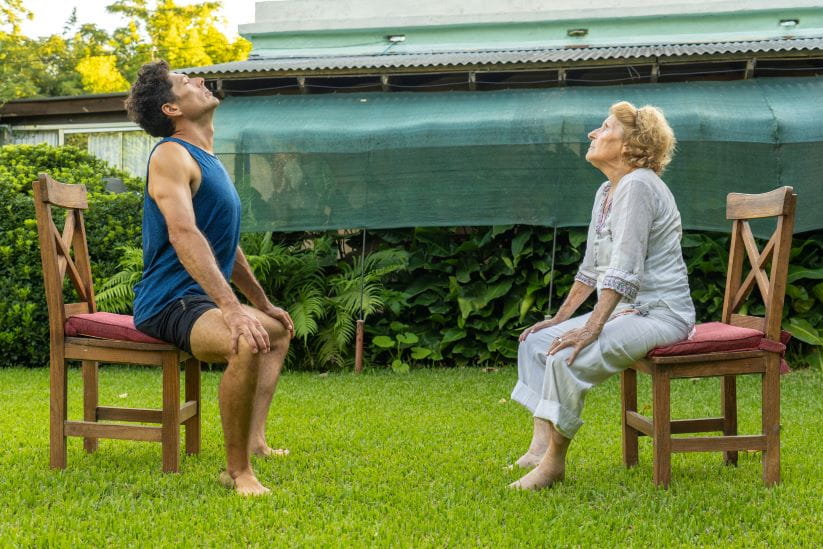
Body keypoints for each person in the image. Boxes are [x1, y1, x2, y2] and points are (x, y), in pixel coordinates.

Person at [125, 60, 295, 496]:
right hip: (170, 300)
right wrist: (232, 311)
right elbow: (184, 233)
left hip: (199, 299)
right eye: (186, 83)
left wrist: (260, 302)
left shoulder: (207, 160)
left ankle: (255, 441)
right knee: (245, 339)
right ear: (170, 108)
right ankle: (237, 472)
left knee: (275, 330)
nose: (200, 81)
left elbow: (224, 246)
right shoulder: (170, 155)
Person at [509, 101, 695, 490]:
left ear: (630, 144)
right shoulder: (607, 191)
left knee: (565, 355)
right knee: (537, 341)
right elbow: (594, 268)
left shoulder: (639, 185)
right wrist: (562, 319)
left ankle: (554, 465)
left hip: (662, 314)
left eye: (605, 126)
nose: (593, 133)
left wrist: (591, 329)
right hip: (629, 312)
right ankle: (539, 447)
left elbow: (625, 268)